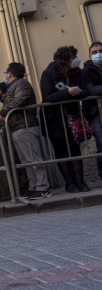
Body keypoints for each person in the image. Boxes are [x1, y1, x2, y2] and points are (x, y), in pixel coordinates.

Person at [40, 45, 89, 193]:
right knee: (62, 152)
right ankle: (70, 183)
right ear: (65, 60)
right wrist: (68, 93)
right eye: (72, 58)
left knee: (75, 151)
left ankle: (80, 181)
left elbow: (85, 90)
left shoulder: (76, 73)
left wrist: (76, 92)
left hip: (72, 119)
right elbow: (47, 97)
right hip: (54, 120)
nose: (76, 61)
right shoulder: (48, 73)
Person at [0, 62, 51, 199]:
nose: (6, 75)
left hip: (25, 125)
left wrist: (4, 111)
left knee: (33, 157)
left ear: (9, 73)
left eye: (6, 73)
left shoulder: (21, 84)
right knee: (26, 160)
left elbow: (18, 101)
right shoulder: (13, 86)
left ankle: (43, 187)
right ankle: (34, 186)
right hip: (17, 126)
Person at [82, 41, 102, 181]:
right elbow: (90, 90)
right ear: (89, 55)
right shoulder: (86, 71)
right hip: (95, 113)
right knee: (101, 144)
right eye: (94, 53)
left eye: (100, 51)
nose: (98, 54)